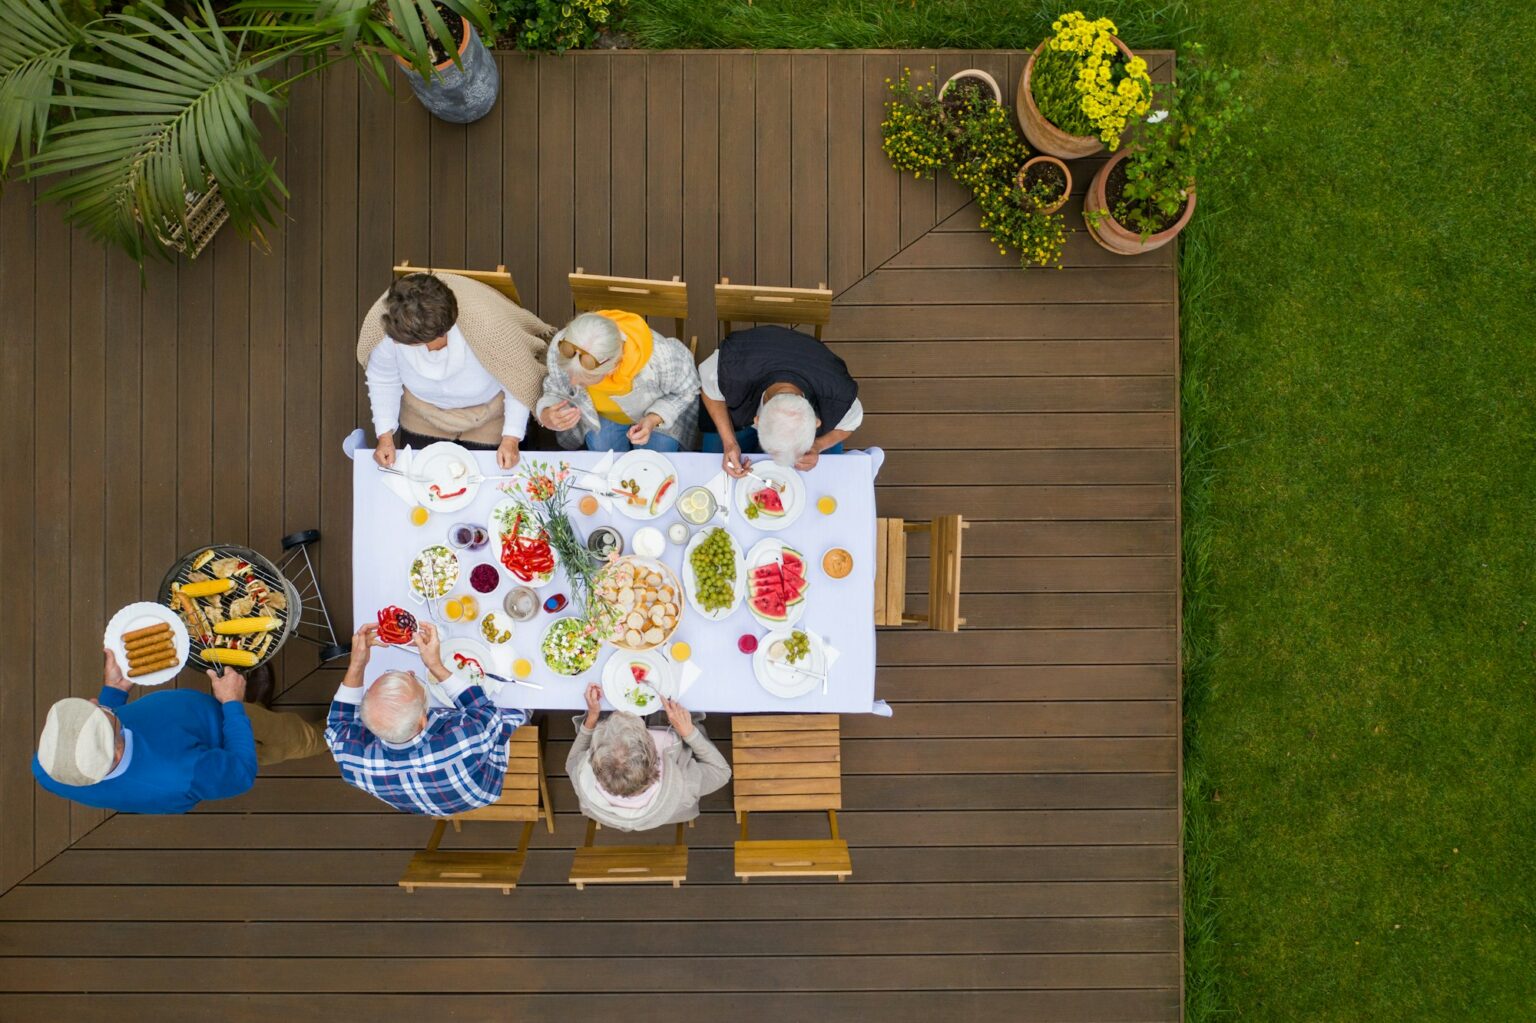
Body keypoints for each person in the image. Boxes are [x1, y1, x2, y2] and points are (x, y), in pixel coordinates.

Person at [32, 652, 326, 814]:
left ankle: (253, 706)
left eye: (87, 707)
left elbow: (93, 733)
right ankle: (339, 733)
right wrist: (233, 705)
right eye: (102, 714)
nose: (96, 702)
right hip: (223, 737)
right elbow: (240, 772)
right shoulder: (182, 774)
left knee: (250, 713)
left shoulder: (47, 767)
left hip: (200, 719)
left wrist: (113, 693)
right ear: (117, 751)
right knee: (293, 738)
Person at [326, 621, 529, 816]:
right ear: (423, 720)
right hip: (482, 788)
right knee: (517, 702)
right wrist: (436, 666)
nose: (412, 671)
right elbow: (487, 714)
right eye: (414, 679)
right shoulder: (463, 739)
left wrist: (357, 664)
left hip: (424, 799)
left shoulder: (350, 760)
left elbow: (337, 725)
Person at [358, 273, 553, 471]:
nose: (394, 342)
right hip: (422, 417)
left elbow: (517, 382)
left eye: (405, 342)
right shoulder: (388, 325)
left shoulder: (489, 329)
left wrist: (511, 438)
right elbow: (383, 380)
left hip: (490, 419)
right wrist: (385, 436)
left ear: (438, 334)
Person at [699, 324, 863, 475]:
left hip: (816, 365)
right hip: (748, 360)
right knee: (712, 465)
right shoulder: (730, 370)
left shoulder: (839, 397)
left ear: (816, 422)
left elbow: (851, 423)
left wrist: (818, 445)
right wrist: (729, 443)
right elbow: (708, 389)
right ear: (757, 420)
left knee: (828, 472)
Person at [566, 684, 730, 832]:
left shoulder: (581, 777)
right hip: (673, 805)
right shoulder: (684, 784)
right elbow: (721, 772)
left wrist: (592, 718)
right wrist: (689, 733)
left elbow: (572, 761)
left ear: (593, 761)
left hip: (651, 814)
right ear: (654, 756)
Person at [536, 310, 700, 452]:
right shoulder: (564, 346)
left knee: (657, 453)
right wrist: (545, 415)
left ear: (613, 366)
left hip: (654, 411)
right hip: (602, 417)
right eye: (569, 372)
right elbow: (555, 388)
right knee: (603, 451)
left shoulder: (661, 358)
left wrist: (653, 418)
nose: (572, 383)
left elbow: (687, 390)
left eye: (585, 381)